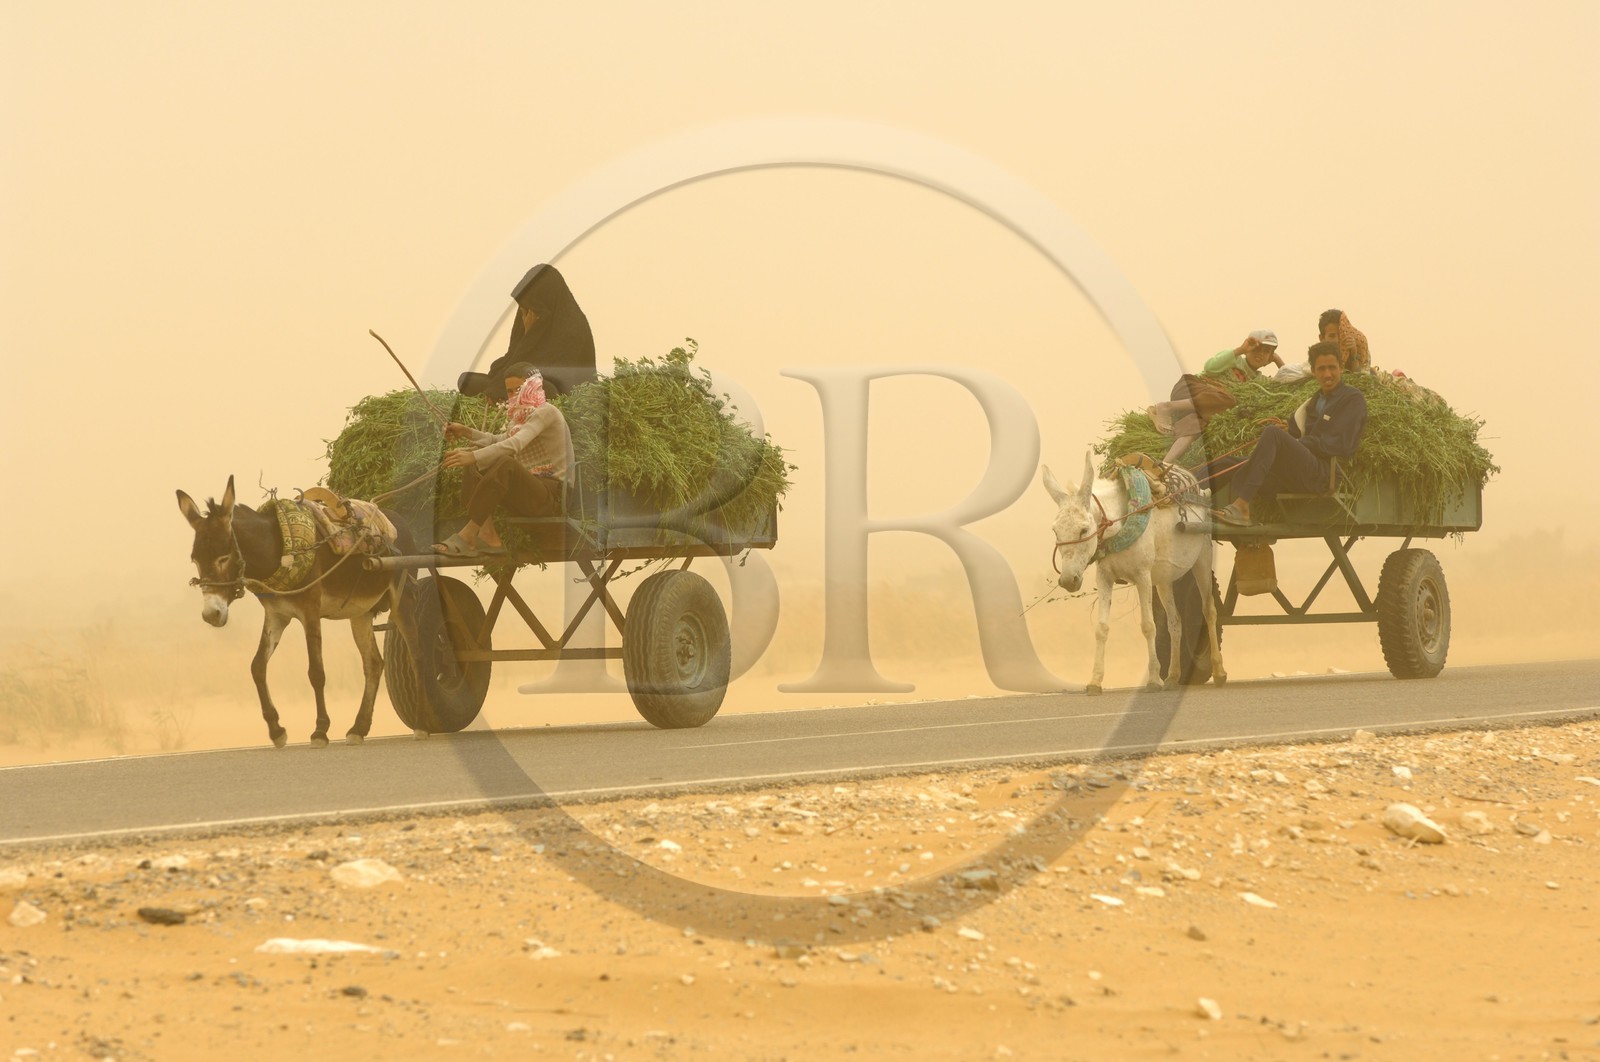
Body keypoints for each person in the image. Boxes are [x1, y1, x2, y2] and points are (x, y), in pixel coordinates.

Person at [1212, 341, 1368, 526]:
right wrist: (1288, 437)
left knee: (1273, 435)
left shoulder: (1352, 399)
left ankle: (1242, 506)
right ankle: (1185, 494)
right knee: (1232, 463)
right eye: (1322, 369)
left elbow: (1341, 445)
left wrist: (1298, 443)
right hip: (1299, 471)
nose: (1327, 374)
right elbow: (1294, 434)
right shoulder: (1314, 401)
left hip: (1324, 474)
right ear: (1313, 370)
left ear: (1341, 367)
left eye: (1332, 368)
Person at [433, 364, 573, 557]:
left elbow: (514, 444)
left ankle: (468, 534)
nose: (515, 394)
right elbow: (500, 441)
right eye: (509, 391)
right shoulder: (519, 418)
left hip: (552, 496)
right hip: (528, 492)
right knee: (478, 462)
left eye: (519, 388)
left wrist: (472, 455)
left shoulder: (545, 412)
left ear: (532, 385)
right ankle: (488, 534)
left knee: (504, 463)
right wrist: (467, 432)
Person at [457, 264, 597, 400]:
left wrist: (531, 336)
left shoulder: (571, 328)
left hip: (555, 392)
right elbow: (511, 360)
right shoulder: (528, 317)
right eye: (523, 310)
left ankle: (501, 399)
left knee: (545, 389)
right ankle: (501, 398)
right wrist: (527, 334)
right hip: (518, 384)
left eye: (529, 310)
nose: (525, 316)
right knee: (467, 380)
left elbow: (544, 373)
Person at [1147, 330, 1283, 465]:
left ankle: (1164, 463)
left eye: (1267, 352)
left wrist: (1278, 361)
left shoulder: (1260, 381)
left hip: (1206, 407)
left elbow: (1289, 380)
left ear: (1269, 359)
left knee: (1197, 425)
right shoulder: (1234, 359)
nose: (1260, 354)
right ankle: (1166, 407)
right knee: (1230, 400)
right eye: (1256, 349)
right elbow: (1210, 367)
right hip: (1190, 388)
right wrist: (1240, 350)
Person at [1318, 307, 1371, 373]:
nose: (1337, 340)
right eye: (1332, 336)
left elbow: (1359, 376)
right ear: (1322, 338)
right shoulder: (1317, 357)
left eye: (1341, 335)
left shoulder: (1351, 349)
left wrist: (1353, 354)